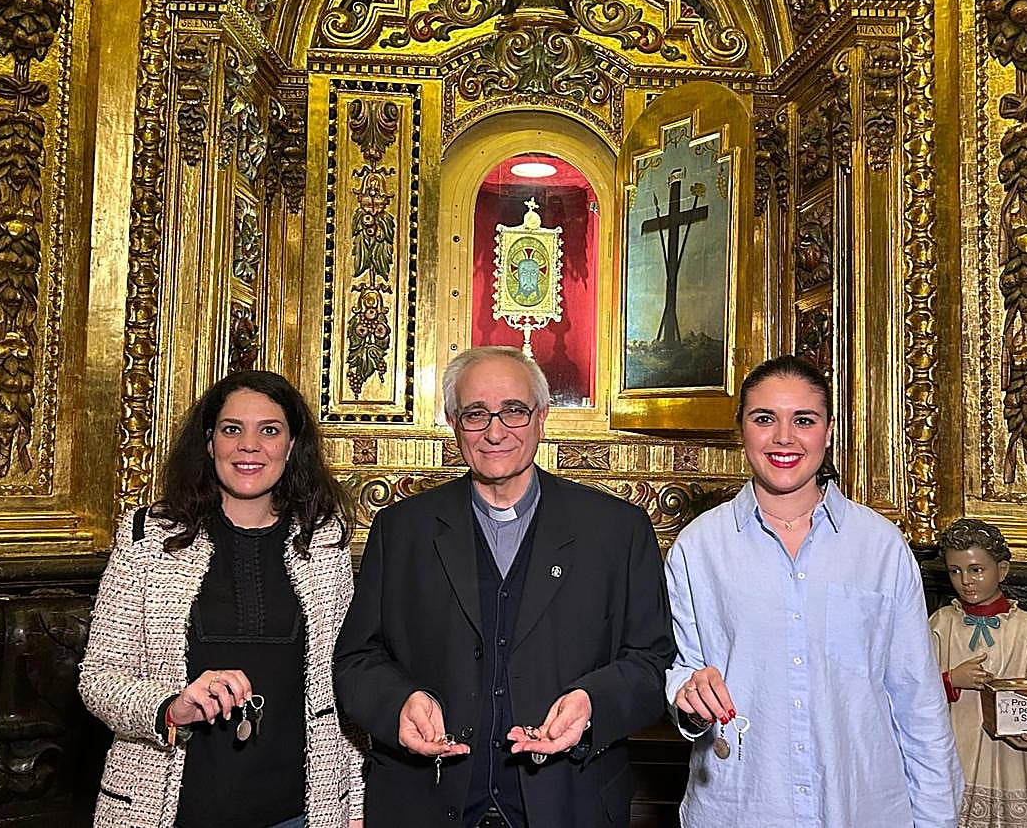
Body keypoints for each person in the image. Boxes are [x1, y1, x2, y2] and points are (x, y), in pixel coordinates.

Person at [333, 345, 676, 828]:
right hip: (426, 805)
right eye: (476, 414)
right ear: (454, 423)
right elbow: (357, 659)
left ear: (542, 418)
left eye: (513, 411)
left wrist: (592, 705)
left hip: (570, 805)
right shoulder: (401, 529)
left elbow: (651, 662)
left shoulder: (617, 530)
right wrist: (399, 703)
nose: (495, 432)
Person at [663, 354, 963, 827]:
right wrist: (690, 698)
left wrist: (937, 819)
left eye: (803, 420)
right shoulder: (698, 548)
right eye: (764, 419)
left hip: (860, 806)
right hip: (745, 806)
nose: (784, 437)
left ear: (828, 431)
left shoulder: (880, 546)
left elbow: (917, 700)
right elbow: (685, 669)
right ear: (741, 430)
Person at [79, 371, 365, 828]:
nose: (249, 446)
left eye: (269, 430)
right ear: (210, 442)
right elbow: (98, 679)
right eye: (232, 429)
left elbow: (344, 687)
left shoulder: (325, 541)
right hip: (167, 810)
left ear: (292, 445)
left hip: (298, 813)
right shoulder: (147, 537)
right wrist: (170, 707)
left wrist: (355, 807)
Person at [930, 518, 1027, 827]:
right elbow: (908, 689)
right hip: (954, 756)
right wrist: (950, 680)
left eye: (976, 570)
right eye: (955, 571)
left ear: (1001, 570)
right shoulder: (940, 624)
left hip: (1014, 761)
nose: (965, 580)